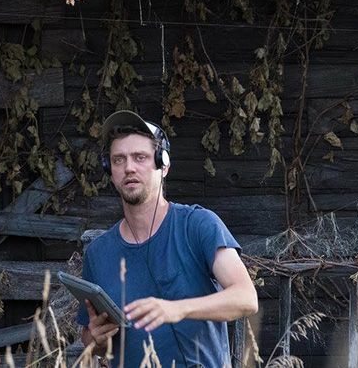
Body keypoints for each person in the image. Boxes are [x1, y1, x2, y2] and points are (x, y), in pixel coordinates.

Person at [76, 110, 258, 367]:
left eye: (140, 157)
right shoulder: (98, 253)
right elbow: (90, 336)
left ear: (163, 164)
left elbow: (246, 298)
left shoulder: (198, 225)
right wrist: (96, 339)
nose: (129, 168)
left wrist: (176, 309)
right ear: (109, 169)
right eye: (118, 160)